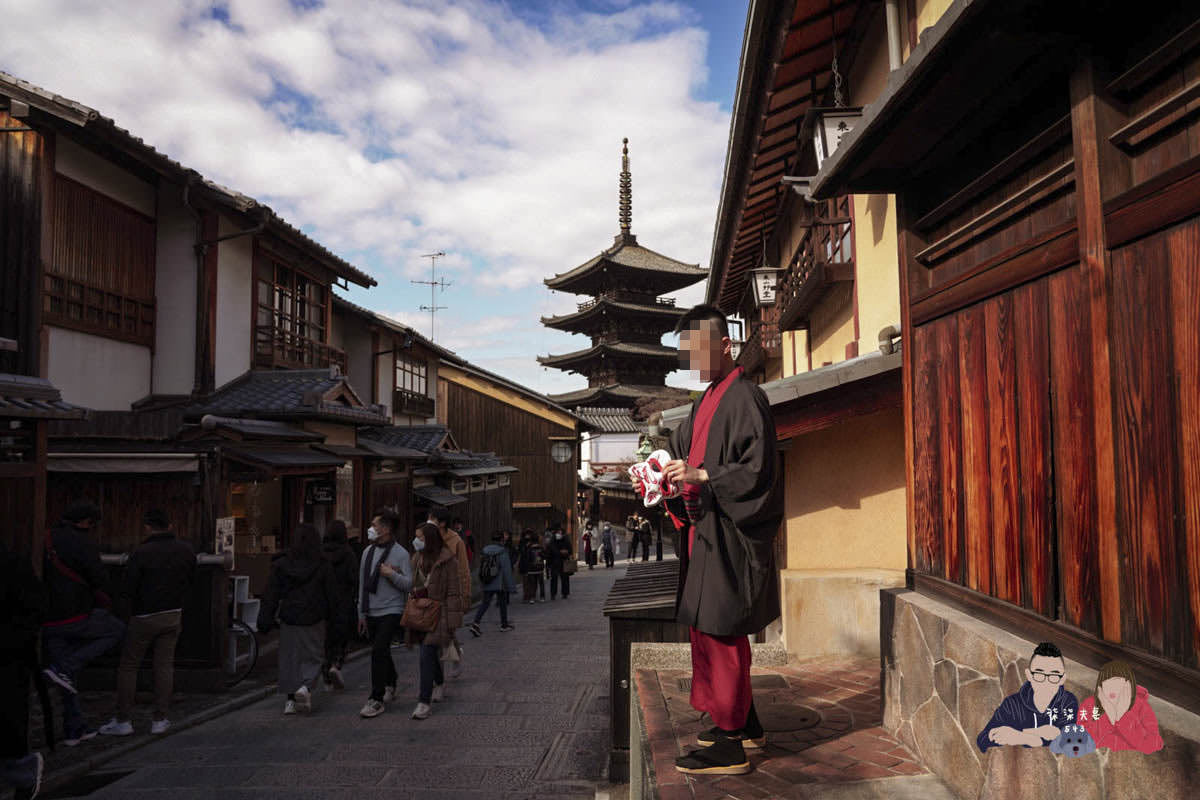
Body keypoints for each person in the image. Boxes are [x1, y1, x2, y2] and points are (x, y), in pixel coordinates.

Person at [638, 305, 783, 776]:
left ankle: (729, 744)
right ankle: (746, 723)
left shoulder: (747, 397)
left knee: (722, 631)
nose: (693, 360)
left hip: (731, 537)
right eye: (687, 351)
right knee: (707, 629)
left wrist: (704, 476)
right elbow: (679, 458)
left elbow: (759, 472)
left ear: (725, 345)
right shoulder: (705, 402)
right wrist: (656, 475)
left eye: (699, 348)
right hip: (705, 534)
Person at [100, 510, 195, 737]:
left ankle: (124, 719)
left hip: (144, 614)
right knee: (164, 666)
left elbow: (128, 587)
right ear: (170, 526)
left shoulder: (141, 553)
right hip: (173, 613)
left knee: (129, 666)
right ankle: (160, 719)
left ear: (148, 527)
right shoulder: (186, 550)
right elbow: (191, 579)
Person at [41, 501, 127, 747]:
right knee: (116, 630)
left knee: (65, 679)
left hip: (47, 615)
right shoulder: (83, 543)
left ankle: (74, 729)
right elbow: (99, 577)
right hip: (77, 612)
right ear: (86, 522)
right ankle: (67, 668)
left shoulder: (46, 537)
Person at [259, 523, 338, 715]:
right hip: (314, 615)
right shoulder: (322, 564)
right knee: (314, 655)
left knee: (290, 657)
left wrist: (265, 618)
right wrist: (335, 617)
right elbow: (332, 594)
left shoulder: (282, 564)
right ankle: (305, 687)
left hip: (289, 615)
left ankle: (290, 700)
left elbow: (271, 593)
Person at [1, 541, 48, 800]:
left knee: (8, 720)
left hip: (7, 656)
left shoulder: (11, 563)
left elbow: (32, 609)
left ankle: (22, 772)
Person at [356, 509, 413, 719]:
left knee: (378, 649)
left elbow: (409, 584)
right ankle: (391, 680)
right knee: (381, 650)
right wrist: (361, 613)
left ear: (386, 529)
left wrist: (391, 574)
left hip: (392, 609)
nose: (371, 528)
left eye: (375, 525)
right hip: (371, 608)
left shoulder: (401, 553)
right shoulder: (367, 552)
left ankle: (376, 698)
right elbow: (362, 583)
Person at [406, 523, 464, 720]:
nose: (417, 541)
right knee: (429, 654)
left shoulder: (448, 561)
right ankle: (439, 682)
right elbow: (411, 584)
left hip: (439, 614)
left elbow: (454, 593)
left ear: (430, 540)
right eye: (416, 537)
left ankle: (424, 702)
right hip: (420, 613)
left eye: (420, 538)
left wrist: (452, 623)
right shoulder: (416, 558)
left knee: (426, 653)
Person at [977, 642, 1079, 752]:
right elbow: (982, 740)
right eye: (1039, 674)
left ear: (1062, 679)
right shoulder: (1012, 704)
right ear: (1029, 675)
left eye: (1054, 675)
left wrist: (1022, 736)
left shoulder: (1067, 702)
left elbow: (1070, 741)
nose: (1046, 682)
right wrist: (1032, 736)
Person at [1078, 659, 1163, 753]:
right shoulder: (1090, 704)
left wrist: (1122, 716)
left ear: (1128, 685)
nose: (1111, 687)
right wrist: (1109, 715)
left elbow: (1152, 745)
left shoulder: (1141, 706)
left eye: (1117, 682)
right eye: (1106, 682)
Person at [427, 506, 470, 676]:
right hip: (431, 591)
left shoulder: (456, 541)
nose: (429, 521)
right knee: (436, 632)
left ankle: (453, 657)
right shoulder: (426, 537)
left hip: (450, 593)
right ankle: (438, 673)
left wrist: (465, 595)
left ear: (442, 523)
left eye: (432, 518)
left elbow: (464, 570)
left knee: (447, 630)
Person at [320, 520, 358, 690]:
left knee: (326, 638)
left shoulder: (321, 553)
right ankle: (336, 663)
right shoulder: (348, 554)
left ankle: (326, 671)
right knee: (342, 636)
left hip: (324, 601)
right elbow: (353, 579)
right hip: (343, 600)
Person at [467, 531, 516, 635]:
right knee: (502, 603)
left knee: (485, 603)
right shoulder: (503, 551)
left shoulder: (485, 550)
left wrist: (481, 580)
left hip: (487, 581)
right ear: (502, 540)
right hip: (499, 583)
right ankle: (504, 625)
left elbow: (481, 567)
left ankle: (475, 623)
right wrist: (511, 587)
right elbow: (506, 570)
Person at [546, 523, 572, 601]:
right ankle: (553, 594)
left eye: (560, 531)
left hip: (564, 561)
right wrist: (560, 552)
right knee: (554, 578)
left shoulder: (566, 538)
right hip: (555, 561)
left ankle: (565, 593)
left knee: (565, 578)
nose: (559, 533)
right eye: (557, 532)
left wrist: (567, 552)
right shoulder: (552, 539)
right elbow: (551, 549)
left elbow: (570, 549)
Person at [518, 530, 545, 604]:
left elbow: (527, 557)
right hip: (539, 567)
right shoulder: (540, 547)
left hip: (531, 568)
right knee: (541, 583)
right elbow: (544, 555)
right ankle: (542, 597)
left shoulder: (529, 547)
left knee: (532, 583)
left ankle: (532, 597)